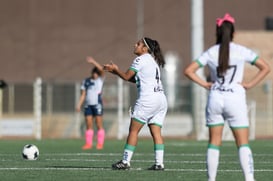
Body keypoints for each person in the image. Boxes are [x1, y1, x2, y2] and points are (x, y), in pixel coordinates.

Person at [184, 13, 270, 181]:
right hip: (235, 99)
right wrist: (250, 84)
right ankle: (249, 179)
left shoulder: (211, 52)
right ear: (233, 33)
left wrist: (205, 84)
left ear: (217, 32)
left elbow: (188, 70)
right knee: (242, 143)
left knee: (214, 142)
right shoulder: (241, 51)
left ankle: (211, 179)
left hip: (215, 98)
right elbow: (265, 67)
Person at [104, 37, 168, 170]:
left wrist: (115, 70)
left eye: (138, 44)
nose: (135, 45)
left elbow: (127, 76)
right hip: (161, 99)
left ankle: (125, 161)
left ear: (145, 48)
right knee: (156, 133)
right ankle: (159, 163)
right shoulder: (152, 61)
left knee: (133, 131)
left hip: (148, 100)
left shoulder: (140, 59)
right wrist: (117, 72)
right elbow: (136, 80)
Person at [76, 57, 106, 150]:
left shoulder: (100, 80)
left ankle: (100, 143)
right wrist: (79, 104)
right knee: (88, 124)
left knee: (98, 123)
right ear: (92, 73)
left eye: (97, 73)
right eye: (94, 72)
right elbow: (83, 94)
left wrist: (93, 61)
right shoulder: (86, 81)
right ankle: (88, 143)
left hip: (97, 104)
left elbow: (101, 69)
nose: (96, 74)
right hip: (88, 105)